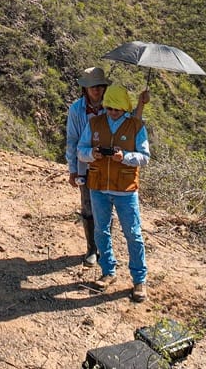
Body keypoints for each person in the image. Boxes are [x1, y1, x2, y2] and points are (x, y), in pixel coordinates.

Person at [78, 83, 150, 302]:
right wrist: (92, 153)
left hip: (125, 189)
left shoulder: (136, 126)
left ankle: (139, 280)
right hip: (99, 186)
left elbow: (144, 157)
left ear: (125, 108)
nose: (112, 113)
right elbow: (81, 150)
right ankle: (108, 271)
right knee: (101, 231)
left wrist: (125, 157)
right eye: (109, 108)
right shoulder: (95, 123)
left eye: (116, 109)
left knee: (133, 234)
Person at [65, 66, 109, 266]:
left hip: (109, 164)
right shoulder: (76, 109)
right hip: (85, 164)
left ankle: (104, 247)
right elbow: (72, 139)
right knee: (88, 205)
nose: (96, 90)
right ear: (85, 88)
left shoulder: (111, 106)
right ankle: (92, 247)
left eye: (99, 86)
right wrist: (72, 169)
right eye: (92, 86)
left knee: (107, 206)